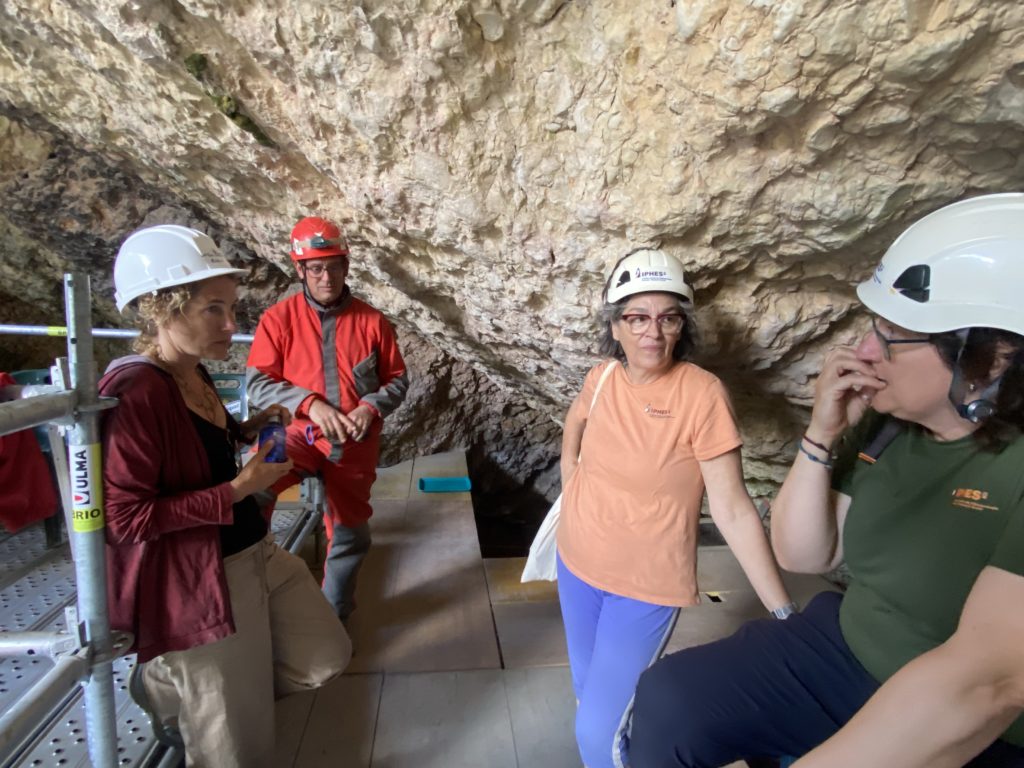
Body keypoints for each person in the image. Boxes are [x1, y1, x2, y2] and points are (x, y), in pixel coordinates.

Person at [629, 193, 1024, 768]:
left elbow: (986, 683)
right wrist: (821, 435)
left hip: (977, 724)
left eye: (892, 337)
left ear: (988, 359)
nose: (863, 351)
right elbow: (802, 553)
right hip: (849, 651)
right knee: (671, 698)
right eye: (873, 327)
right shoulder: (889, 429)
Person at [101, 224, 352, 768]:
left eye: (231, 308)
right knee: (235, 749)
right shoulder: (137, 392)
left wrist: (246, 429)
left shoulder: (191, 372)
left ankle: (170, 681)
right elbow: (124, 518)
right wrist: (239, 489)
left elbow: (196, 447)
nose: (231, 325)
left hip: (249, 550)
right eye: (214, 310)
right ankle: (182, 676)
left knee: (325, 656)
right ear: (160, 309)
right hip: (198, 577)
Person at [556, 249, 794, 768]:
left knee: (597, 735)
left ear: (681, 326)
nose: (652, 333)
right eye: (637, 318)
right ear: (614, 326)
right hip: (575, 564)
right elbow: (573, 430)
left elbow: (732, 509)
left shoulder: (701, 395)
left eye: (667, 318)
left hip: (644, 587)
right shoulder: (601, 379)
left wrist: (783, 612)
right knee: (589, 696)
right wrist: (572, 487)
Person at [247, 216, 408, 624]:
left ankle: (332, 619)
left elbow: (397, 380)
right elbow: (258, 383)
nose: (326, 277)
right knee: (249, 494)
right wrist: (309, 403)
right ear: (300, 269)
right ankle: (250, 601)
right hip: (288, 428)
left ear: (346, 267)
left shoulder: (372, 322)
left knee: (351, 532)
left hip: (352, 439)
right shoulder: (277, 320)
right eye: (316, 268)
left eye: (334, 266)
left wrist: (368, 408)